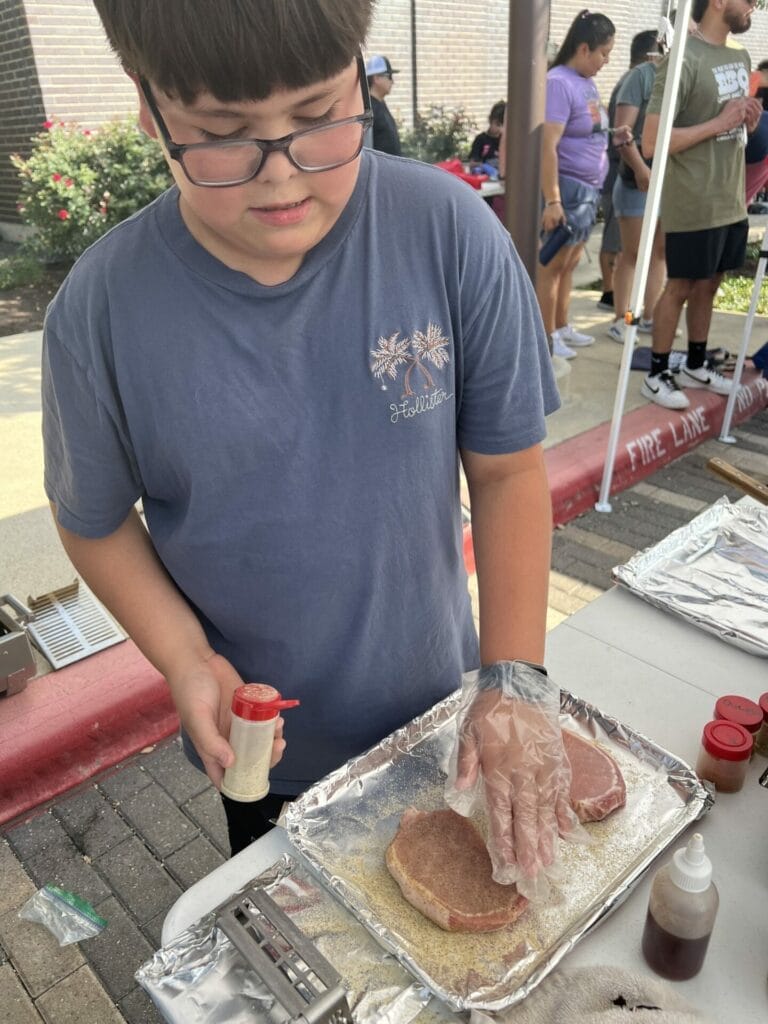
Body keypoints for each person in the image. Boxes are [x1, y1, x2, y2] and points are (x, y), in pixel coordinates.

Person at [42, 0, 579, 896]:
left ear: (361, 80)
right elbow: (91, 520)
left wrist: (514, 676)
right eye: (225, 134)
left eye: (319, 115)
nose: (283, 177)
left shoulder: (448, 232)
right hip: (263, 748)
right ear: (149, 108)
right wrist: (184, 657)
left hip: (443, 719)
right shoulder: (100, 313)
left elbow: (508, 468)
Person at [640, 0, 761, 410]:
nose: (756, 8)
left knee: (711, 282)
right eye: (751, 1)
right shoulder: (681, 59)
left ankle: (695, 361)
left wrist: (747, 119)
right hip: (693, 196)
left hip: (731, 196)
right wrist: (720, 123)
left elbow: (727, 123)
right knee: (682, 285)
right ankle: (656, 372)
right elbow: (652, 142)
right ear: (720, 2)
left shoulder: (741, 56)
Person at [537, 11, 626, 361]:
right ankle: (545, 335)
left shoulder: (585, 83)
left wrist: (613, 134)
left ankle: (561, 326)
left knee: (571, 262)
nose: (606, 61)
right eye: (604, 53)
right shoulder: (559, 82)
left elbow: (587, 128)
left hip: (588, 190)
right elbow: (548, 145)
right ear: (584, 47)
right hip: (569, 189)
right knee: (552, 265)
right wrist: (553, 200)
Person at [605, 29, 668, 344]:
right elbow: (621, 132)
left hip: (668, 180)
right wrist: (641, 169)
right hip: (636, 180)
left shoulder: (681, 75)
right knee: (632, 253)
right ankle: (622, 319)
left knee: (658, 253)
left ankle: (649, 317)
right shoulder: (640, 77)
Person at [365, 53, 401, 155]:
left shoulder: (380, 103)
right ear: (376, 78)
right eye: (389, 76)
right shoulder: (369, 109)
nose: (392, 81)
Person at [469, 100, 505, 169]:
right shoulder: (481, 139)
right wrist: (485, 166)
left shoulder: (505, 140)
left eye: (503, 126)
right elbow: (472, 163)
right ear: (490, 120)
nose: (500, 129)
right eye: (497, 124)